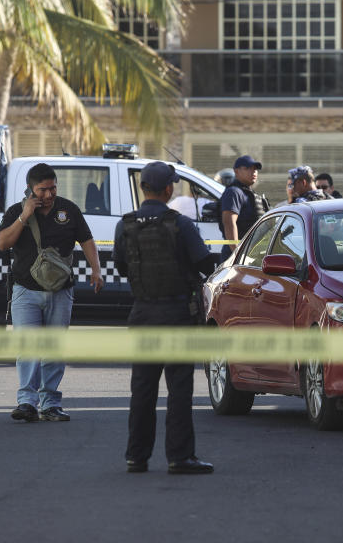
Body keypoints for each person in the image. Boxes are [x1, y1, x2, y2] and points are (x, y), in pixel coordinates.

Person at [113, 161, 218, 474]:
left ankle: (136, 457)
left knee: (142, 390)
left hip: (143, 313)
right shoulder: (180, 224)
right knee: (179, 389)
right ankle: (180, 456)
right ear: (169, 189)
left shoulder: (126, 225)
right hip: (176, 315)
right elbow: (204, 263)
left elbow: (121, 267)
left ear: (144, 187)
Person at [0, 163, 104, 422]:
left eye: (53, 188)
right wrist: (24, 216)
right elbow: (2, 243)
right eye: (42, 190)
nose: (49, 194)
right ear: (30, 189)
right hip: (25, 291)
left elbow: (87, 240)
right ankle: (26, 403)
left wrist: (96, 270)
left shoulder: (69, 210)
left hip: (60, 292)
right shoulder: (16, 211)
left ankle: (51, 404)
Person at [220, 155, 268, 257]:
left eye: (255, 169)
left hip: (251, 253)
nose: (253, 172)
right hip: (237, 255)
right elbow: (229, 223)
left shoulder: (248, 193)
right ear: (236, 171)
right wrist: (237, 254)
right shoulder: (233, 192)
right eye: (248, 168)